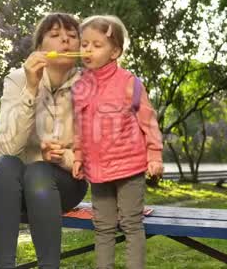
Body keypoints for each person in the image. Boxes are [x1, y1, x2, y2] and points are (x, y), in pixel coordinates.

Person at [0, 12, 89, 269]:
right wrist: (30, 88)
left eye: (72, 36)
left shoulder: (91, 86)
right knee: (6, 164)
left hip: (62, 183)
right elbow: (9, 147)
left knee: (40, 172)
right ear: (40, 48)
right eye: (55, 35)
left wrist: (63, 157)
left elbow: (95, 154)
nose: (65, 41)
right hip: (9, 186)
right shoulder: (17, 79)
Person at [71, 15, 164, 269]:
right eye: (85, 44)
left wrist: (154, 155)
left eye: (97, 45)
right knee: (103, 228)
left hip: (129, 169)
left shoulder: (129, 83)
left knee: (132, 225)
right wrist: (78, 155)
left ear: (115, 52)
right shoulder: (80, 87)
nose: (88, 49)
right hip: (98, 172)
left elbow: (149, 122)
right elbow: (79, 126)